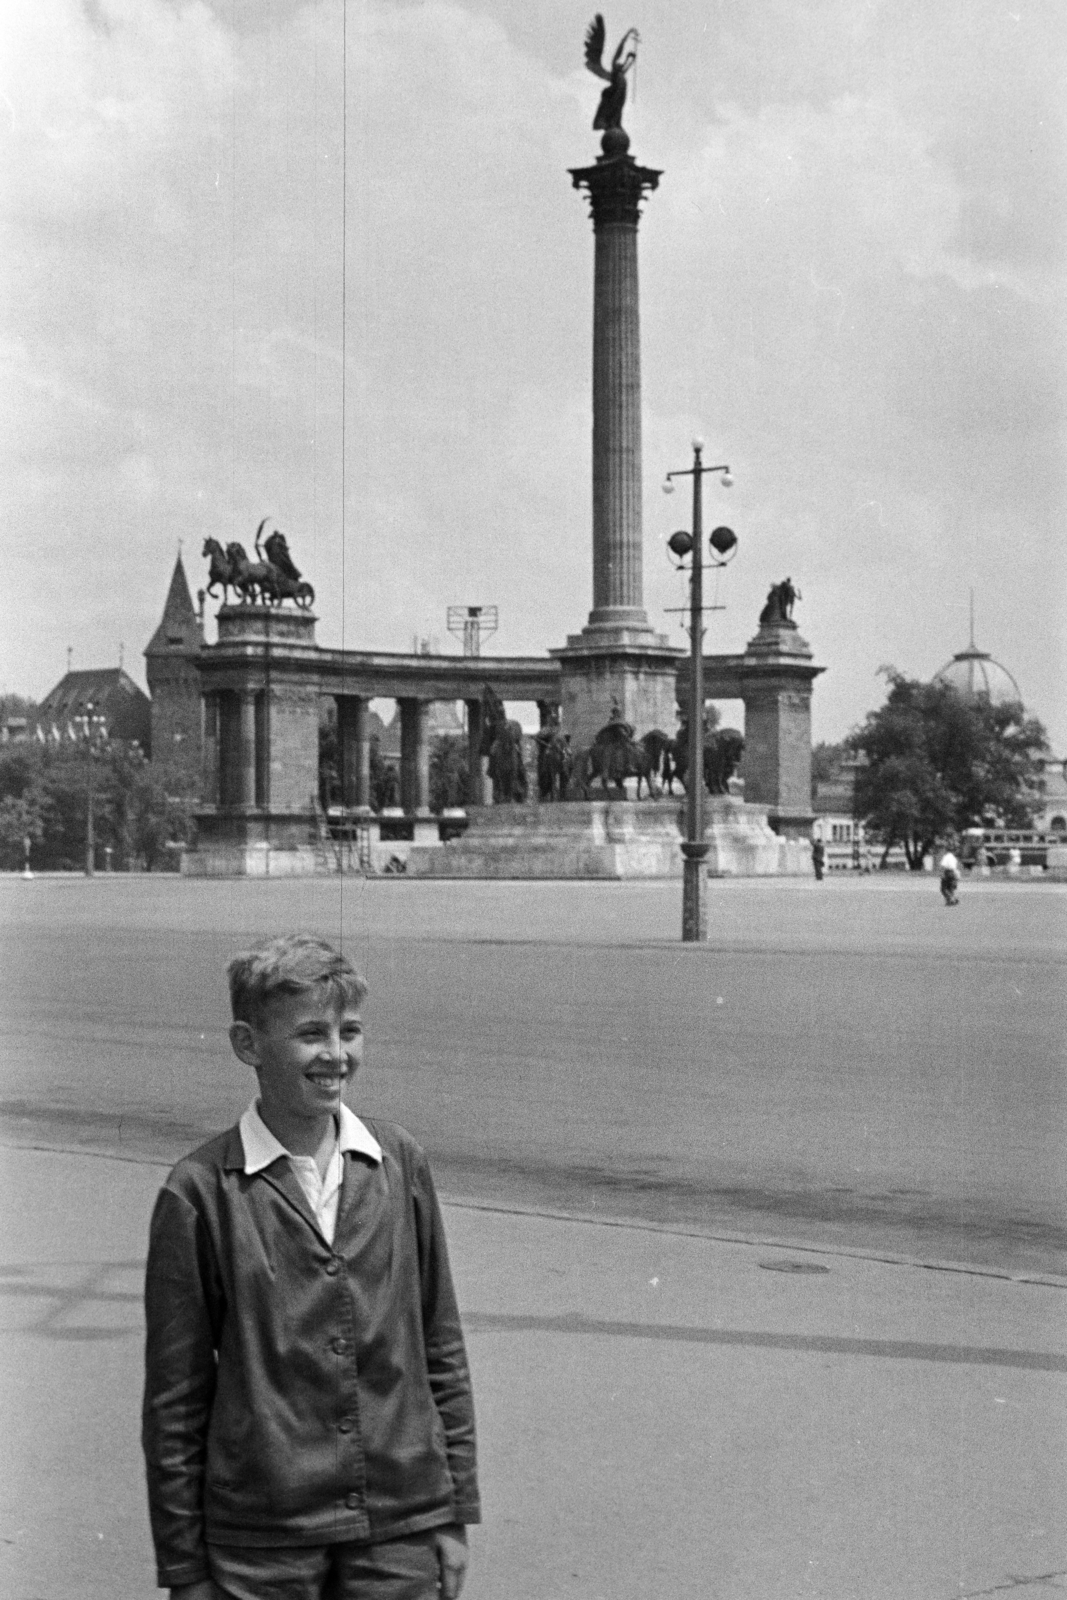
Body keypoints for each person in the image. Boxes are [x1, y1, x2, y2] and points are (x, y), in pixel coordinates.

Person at [142, 934, 479, 1600]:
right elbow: (175, 1399)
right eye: (309, 1035)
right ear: (247, 1045)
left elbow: (439, 1344)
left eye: (348, 1031)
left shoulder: (398, 1162)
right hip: (261, 1542)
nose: (336, 1054)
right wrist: (184, 1567)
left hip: (399, 1524)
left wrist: (452, 1508)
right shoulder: (200, 1191)